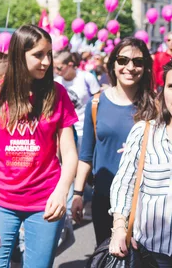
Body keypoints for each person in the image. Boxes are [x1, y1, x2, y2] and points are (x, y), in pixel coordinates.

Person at [0, 25, 79, 268]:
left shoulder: (57, 94)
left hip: (45, 202)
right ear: (19, 55)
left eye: (49, 54)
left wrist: (62, 192)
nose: (46, 61)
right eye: (39, 54)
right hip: (0, 200)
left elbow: (70, 153)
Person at [71, 37, 156, 247]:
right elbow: (86, 155)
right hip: (104, 197)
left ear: (145, 68)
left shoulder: (156, 105)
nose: (130, 67)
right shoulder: (96, 102)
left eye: (137, 62)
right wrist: (78, 194)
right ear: (113, 64)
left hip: (144, 200)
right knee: (108, 256)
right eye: (123, 60)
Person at [109, 60, 172, 267]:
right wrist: (119, 229)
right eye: (171, 87)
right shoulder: (145, 133)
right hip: (151, 253)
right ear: (163, 92)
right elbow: (124, 184)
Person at [53, 51, 100, 147]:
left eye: (59, 68)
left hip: (86, 129)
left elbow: (98, 101)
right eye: (53, 68)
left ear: (70, 65)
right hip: (66, 130)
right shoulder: (56, 83)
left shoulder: (86, 77)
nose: (56, 71)